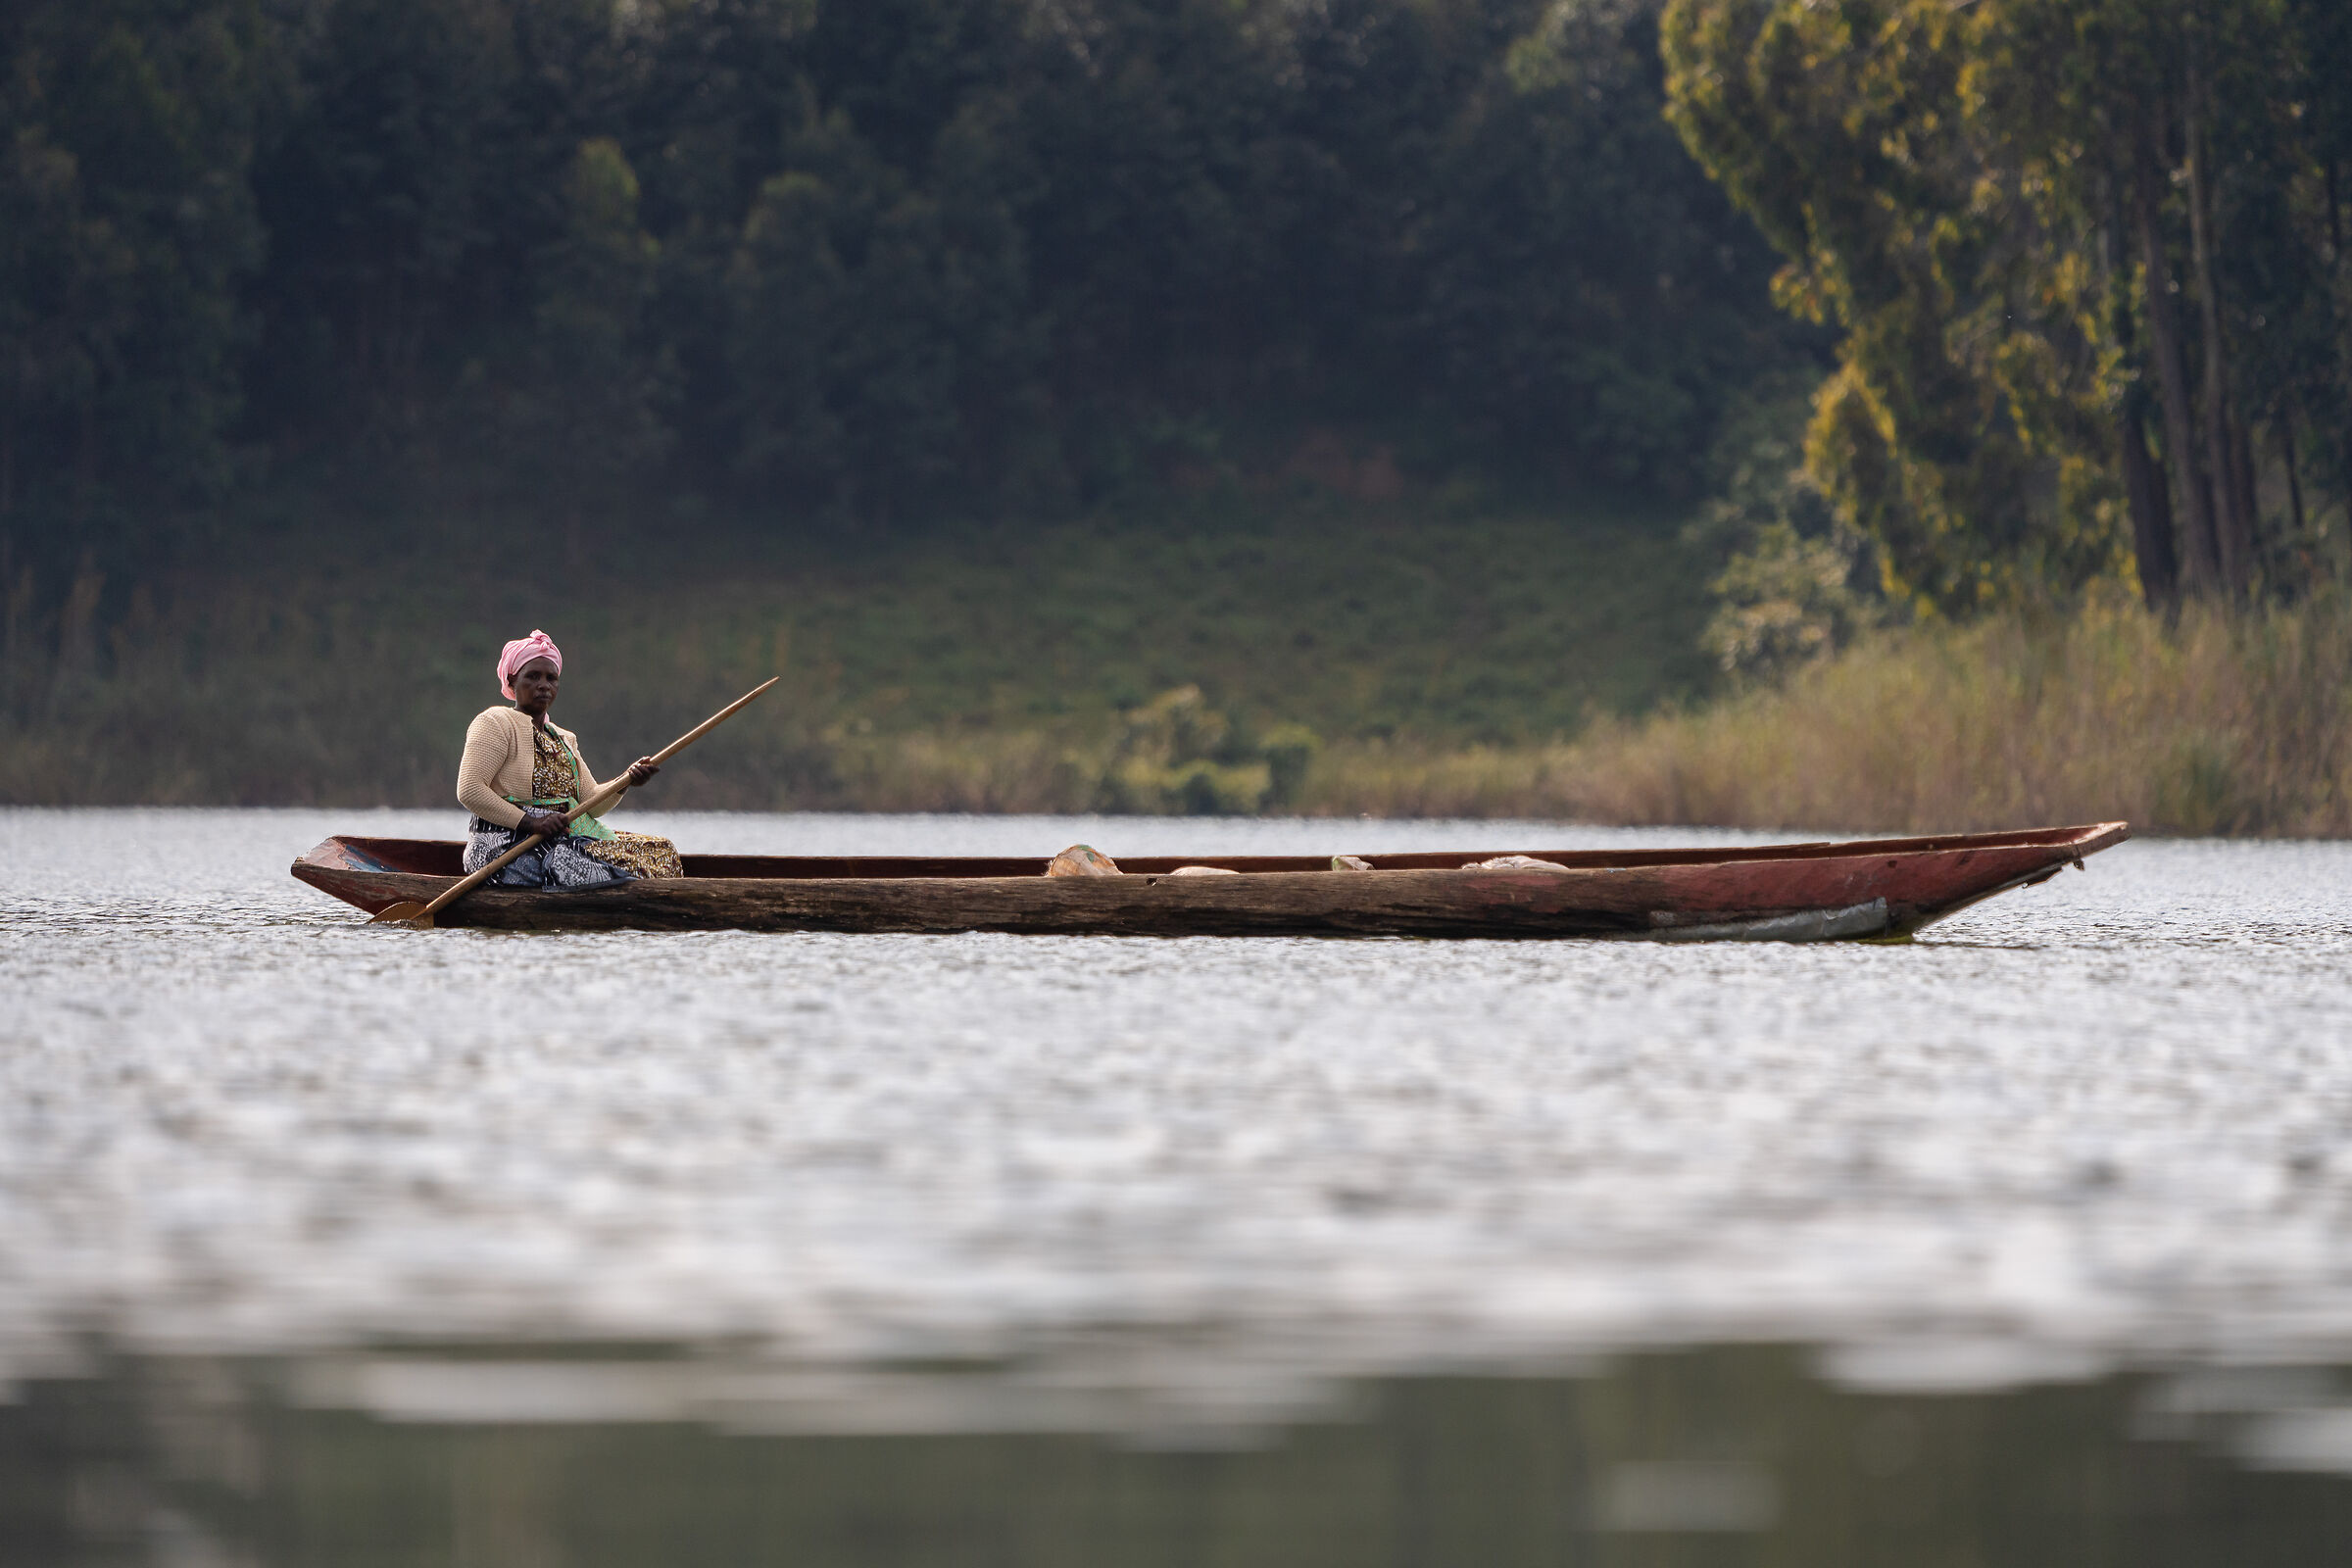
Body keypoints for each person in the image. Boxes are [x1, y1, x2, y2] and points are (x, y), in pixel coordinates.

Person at [456, 630, 683, 887]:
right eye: (533, 676)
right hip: (510, 847)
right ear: (511, 681)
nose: (544, 685)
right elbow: (470, 790)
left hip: (564, 838)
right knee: (575, 862)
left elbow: (591, 802)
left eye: (551, 678)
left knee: (662, 850)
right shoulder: (495, 722)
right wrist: (532, 823)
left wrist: (626, 780)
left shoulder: (563, 738)